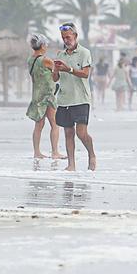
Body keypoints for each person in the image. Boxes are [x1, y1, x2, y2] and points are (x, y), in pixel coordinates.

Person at [48, 22, 97, 170]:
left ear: (75, 36)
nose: (66, 40)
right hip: (64, 99)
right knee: (68, 133)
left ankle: (92, 155)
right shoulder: (60, 55)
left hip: (81, 98)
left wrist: (68, 69)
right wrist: (56, 70)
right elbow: (55, 79)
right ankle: (71, 165)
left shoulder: (84, 53)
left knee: (81, 133)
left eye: (68, 37)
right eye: (63, 38)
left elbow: (85, 74)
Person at [25, 34, 63, 161]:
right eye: (46, 44)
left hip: (37, 94)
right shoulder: (45, 60)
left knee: (39, 125)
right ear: (42, 45)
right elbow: (57, 69)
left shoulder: (30, 59)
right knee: (55, 123)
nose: (46, 47)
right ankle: (55, 152)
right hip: (47, 95)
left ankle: (37, 152)